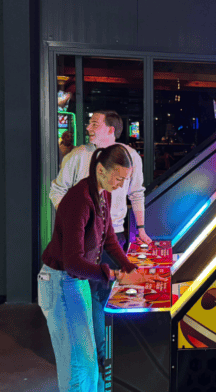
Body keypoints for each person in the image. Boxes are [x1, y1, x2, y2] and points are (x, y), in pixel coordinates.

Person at [38, 144, 158, 392]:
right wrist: (113, 274)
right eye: (117, 178)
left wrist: (130, 267)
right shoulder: (79, 200)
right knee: (79, 371)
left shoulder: (101, 195)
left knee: (88, 369)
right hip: (60, 282)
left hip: (73, 283)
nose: (120, 185)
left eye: (124, 180)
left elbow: (108, 239)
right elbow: (72, 261)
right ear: (100, 169)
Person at [50, 110, 152, 366]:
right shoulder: (78, 161)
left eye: (94, 123)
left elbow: (135, 195)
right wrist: (75, 220)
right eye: (118, 179)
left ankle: (103, 352)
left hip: (112, 233)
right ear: (101, 170)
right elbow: (57, 190)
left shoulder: (118, 172)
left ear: (111, 130)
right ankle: (96, 355)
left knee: (105, 295)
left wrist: (137, 239)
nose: (88, 128)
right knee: (92, 294)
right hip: (81, 242)